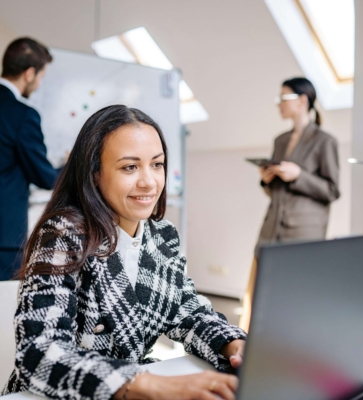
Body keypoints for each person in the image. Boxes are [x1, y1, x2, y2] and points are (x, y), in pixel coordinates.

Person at [2, 105, 246, 400]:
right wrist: (147, 384)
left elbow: (187, 312)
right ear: (94, 173)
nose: (149, 181)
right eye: (130, 167)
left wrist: (233, 344)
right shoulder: (62, 234)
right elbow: (39, 356)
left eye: (157, 164)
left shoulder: (162, 235)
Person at [0, 37, 62, 280]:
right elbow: (45, 177)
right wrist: (70, 165)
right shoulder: (22, 115)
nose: (38, 85)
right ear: (29, 74)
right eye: (40, 77)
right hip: (4, 239)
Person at [257, 77, 340, 245]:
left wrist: (299, 175)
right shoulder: (280, 141)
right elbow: (276, 192)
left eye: (283, 98)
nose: (279, 104)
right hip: (271, 230)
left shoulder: (325, 141)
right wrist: (266, 181)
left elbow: (332, 191)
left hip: (303, 233)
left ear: (302, 100)